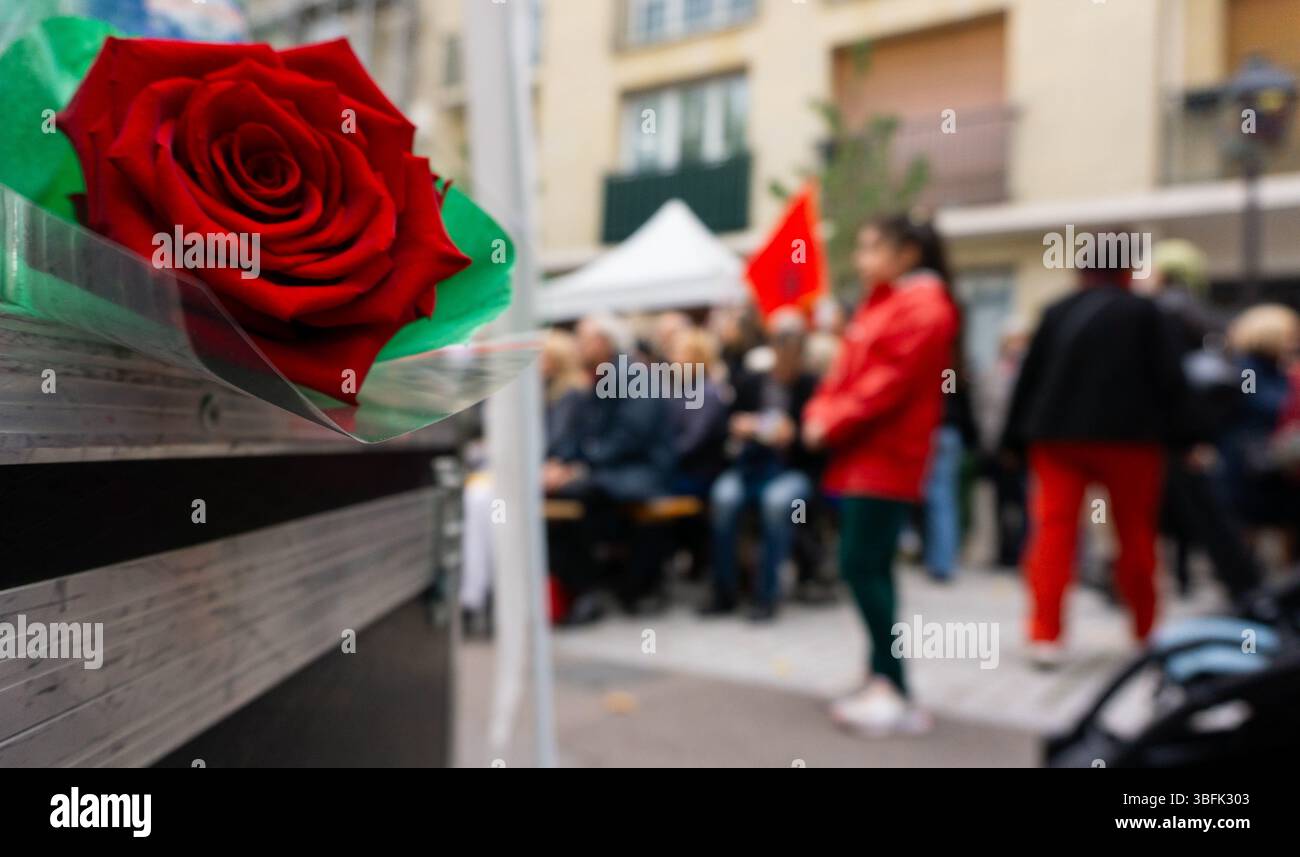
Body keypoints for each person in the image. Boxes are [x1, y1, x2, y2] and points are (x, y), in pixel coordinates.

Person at [1000, 234, 1190, 669]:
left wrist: (1011, 442)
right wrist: (1187, 439)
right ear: (1128, 270)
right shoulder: (1148, 313)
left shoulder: (1056, 312)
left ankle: (1044, 635)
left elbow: (1028, 382)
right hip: (1132, 442)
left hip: (1057, 439)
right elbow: (1171, 382)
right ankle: (1146, 631)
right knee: (1136, 536)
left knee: (1053, 533)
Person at [802, 214, 960, 735]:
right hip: (865, 454)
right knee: (869, 567)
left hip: (887, 456)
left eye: (872, 247)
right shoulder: (886, 303)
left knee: (861, 565)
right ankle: (881, 676)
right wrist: (820, 412)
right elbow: (845, 373)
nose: (861, 259)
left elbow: (886, 382)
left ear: (906, 253)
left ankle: (893, 686)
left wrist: (829, 419)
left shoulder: (922, 307)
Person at [545, 314, 675, 621]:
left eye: (583, 338)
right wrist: (560, 464)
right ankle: (582, 587)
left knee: (574, 494)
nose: (577, 345)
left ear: (603, 342)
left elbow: (629, 437)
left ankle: (587, 590)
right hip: (613, 469)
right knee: (559, 494)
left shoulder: (635, 375)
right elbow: (583, 434)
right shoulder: (599, 375)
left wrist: (579, 468)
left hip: (643, 472)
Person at [459, 330, 589, 635]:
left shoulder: (564, 394)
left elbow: (555, 445)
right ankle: (479, 592)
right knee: (478, 503)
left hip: (539, 475)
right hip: (513, 473)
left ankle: (484, 594)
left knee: (485, 504)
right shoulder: (531, 391)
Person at [702, 307, 821, 621]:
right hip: (750, 466)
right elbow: (728, 421)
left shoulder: (811, 386)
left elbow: (818, 442)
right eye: (781, 343)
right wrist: (745, 425)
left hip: (792, 469)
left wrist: (794, 434)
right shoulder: (751, 381)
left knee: (776, 503)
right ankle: (724, 590)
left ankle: (766, 595)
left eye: (792, 345)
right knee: (723, 499)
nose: (786, 352)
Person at [1218, 304, 1300, 542]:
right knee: (1250, 525)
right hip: (1250, 458)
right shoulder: (1247, 369)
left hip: (1271, 457)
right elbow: (1255, 401)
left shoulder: (1274, 368)